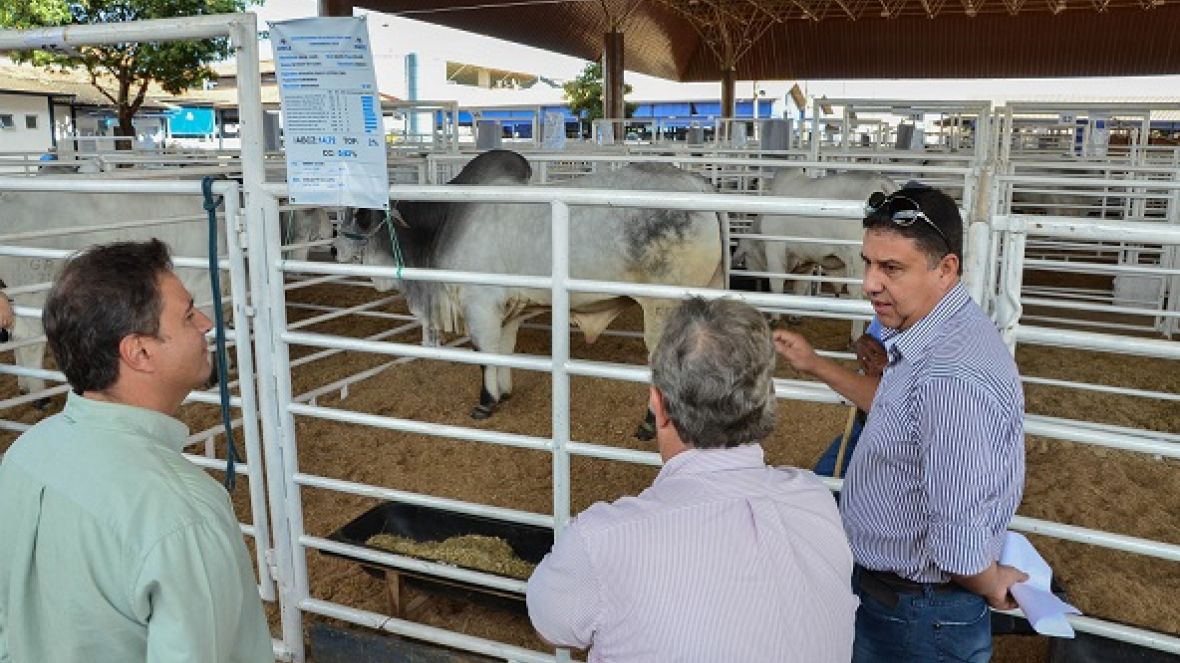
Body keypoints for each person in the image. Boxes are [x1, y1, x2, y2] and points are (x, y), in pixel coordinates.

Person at [774, 184, 1027, 663]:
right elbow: (899, 408)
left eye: (892, 268)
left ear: (945, 269)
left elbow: (958, 548)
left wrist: (994, 586)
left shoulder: (952, 377)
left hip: (917, 615)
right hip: (906, 604)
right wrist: (815, 365)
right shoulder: (931, 334)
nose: (870, 282)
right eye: (869, 262)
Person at [526, 297, 856, 663]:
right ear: (764, 403)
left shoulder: (602, 539)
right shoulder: (815, 500)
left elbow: (551, 627)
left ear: (659, 405)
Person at [0, 239, 272, 662]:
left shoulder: (25, 455)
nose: (205, 323)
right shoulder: (180, 514)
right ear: (139, 351)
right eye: (187, 315)